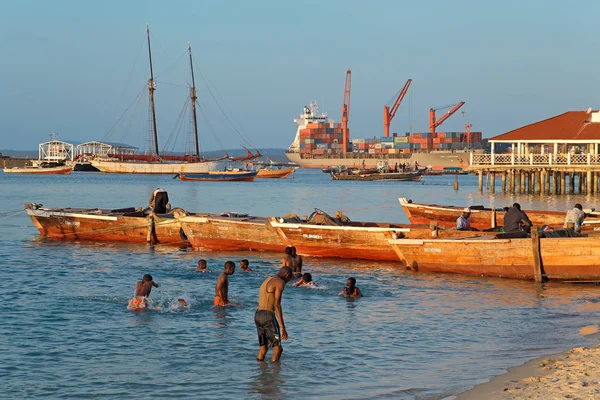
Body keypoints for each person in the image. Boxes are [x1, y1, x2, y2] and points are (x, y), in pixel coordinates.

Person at [255, 266, 294, 362]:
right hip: (267, 316)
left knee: (263, 348)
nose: (287, 282)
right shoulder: (279, 282)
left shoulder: (267, 279)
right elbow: (277, 305)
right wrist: (282, 327)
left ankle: (260, 371)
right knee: (278, 349)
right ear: (287, 275)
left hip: (258, 315)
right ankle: (275, 375)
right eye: (289, 279)